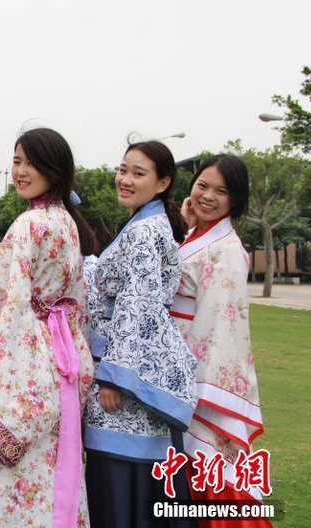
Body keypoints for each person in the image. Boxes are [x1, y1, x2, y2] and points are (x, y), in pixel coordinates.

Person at [0, 127, 97, 528]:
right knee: (51, 468)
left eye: (31, 162)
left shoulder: (29, 225)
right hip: (60, 362)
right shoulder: (68, 223)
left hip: (26, 361)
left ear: (55, 169)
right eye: (16, 161)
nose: (21, 171)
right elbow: (77, 304)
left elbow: (2, 304)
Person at [83, 140, 197, 527]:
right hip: (120, 365)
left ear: (163, 182)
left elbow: (138, 306)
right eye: (123, 169)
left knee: (122, 475)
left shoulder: (146, 232)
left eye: (138, 173)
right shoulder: (143, 225)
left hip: (121, 379)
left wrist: (116, 378)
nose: (125, 180)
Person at [173, 155, 272, 527]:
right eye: (202, 185)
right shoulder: (199, 237)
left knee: (213, 482)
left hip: (200, 382)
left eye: (221, 191)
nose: (207, 196)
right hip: (182, 365)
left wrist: (193, 390)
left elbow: (219, 328)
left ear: (236, 200)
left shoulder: (225, 250)